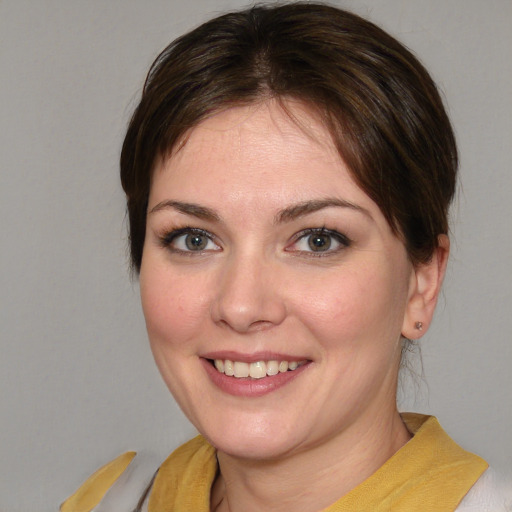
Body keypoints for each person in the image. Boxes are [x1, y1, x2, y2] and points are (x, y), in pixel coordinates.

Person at [60, 2, 511, 511]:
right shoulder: (110, 502)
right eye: (193, 239)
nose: (241, 305)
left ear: (421, 282)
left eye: (318, 239)